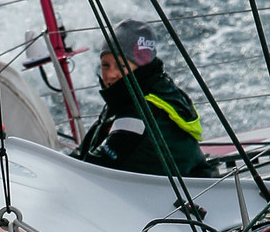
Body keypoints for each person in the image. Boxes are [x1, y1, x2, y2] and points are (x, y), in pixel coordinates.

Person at [76, 18, 208, 178]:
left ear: (141, 67)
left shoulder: (140, 112)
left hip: (174, 191)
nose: (110, 74)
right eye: (105, 65)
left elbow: (93, 169)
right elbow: (84, 153)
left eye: (121, 66)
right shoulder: (152, 90)